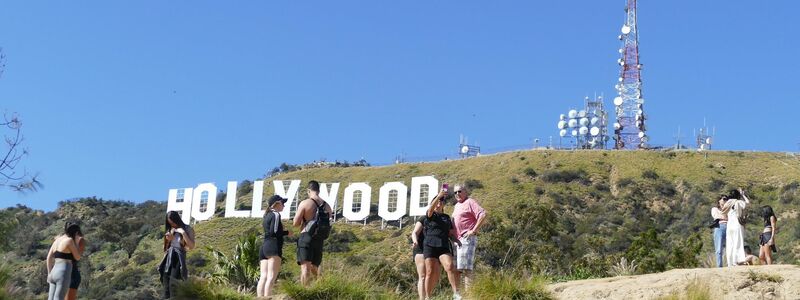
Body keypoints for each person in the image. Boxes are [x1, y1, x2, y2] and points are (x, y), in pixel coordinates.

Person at [423, 188, 462, 300]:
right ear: (433, 203)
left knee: (450, 266)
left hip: (443, 245)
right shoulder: (430, 214)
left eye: (441, 201)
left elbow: (450, 233)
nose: (439, 202)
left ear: (444, 204)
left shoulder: (446, 217)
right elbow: (430, 210)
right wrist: (439, 195)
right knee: (430, 272)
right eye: (437, 201)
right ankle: (428, 297)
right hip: (430, 245)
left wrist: (456, 240)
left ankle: (456, 294)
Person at [293, 180, 333, 286]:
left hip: (306, 236)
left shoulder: (305, 203)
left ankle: (304, 292)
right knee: (315, 267)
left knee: (305, 267)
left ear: (308, 190)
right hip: (319, 238)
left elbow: (295, 223)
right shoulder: (327, 206)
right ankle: (320, 287)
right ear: (318, 191)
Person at [452, 184, 487, 289]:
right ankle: (458, 295)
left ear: (465, 192)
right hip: (457, 241)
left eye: (459, 191)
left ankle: (469, 295)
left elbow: (483, 214)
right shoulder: (457, 205)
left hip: (467, 238)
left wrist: (473, 230)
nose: (457, 194)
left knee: (467, 268)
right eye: (455, 192)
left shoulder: (470, 202)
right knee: (456, 269)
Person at [257, 195, 290, 298]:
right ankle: (267, 297)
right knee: (271, 277)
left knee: (263, 276)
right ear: (277, 203)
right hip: (273, 246)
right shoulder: (275, 214)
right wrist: (287, 232)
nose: (284, 206)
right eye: (283, 203)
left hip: (264, 247)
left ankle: (259, 298)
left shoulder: (266, 215)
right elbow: (274, 232)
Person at [158, 211, 196, 299]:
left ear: (177, 220)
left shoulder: (187, 229)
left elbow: (191, 246)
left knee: (173, 283)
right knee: (165, 283)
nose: (173, 225)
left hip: (178, 256)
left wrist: (183, 233)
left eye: (173, 222)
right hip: (168, 256)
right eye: (170, 223)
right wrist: (169, 239)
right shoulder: (170, 230)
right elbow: (165, 248)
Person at [46, 222, 82, 300]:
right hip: (63, 273)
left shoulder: (57, 240)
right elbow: (78, 257)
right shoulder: (69, 241)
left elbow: (49, 258)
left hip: (53, 272)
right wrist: (77, 243)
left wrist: (49, 273)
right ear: (76, 232)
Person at [722, 188, 749, 267]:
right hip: (737, 224)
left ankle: (729, 262)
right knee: (738, 242)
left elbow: (723, 212)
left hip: (729, 225)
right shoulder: (739, 202)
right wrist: (743, 195)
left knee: (730, 244)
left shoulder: (727, 203)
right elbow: (747, 203)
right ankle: (736, 261)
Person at [67, 229, 87, 300]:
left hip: (71, 274)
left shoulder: (70, 241)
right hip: (70, 273)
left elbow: (78, 257)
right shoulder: (70, 241)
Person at [710, 195, 728, 267]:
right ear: (719, 200)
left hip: (729, 227)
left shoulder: (728, 209)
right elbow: (716, 216)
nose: (724, 200)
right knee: (719, 248)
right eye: (723, 199)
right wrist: (725, 217)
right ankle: (719, 266)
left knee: (730, 246)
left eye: (726, 199)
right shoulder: (715, 209)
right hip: (719, 227)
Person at [410, 217, 426, 300]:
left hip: (433, 250)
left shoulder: (442, 219)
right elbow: (414, 233)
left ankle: (428, 297)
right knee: (422, 276)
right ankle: (422, 298)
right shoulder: (423, 218)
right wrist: (415, 241)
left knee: (431, 275)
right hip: (420, 249)